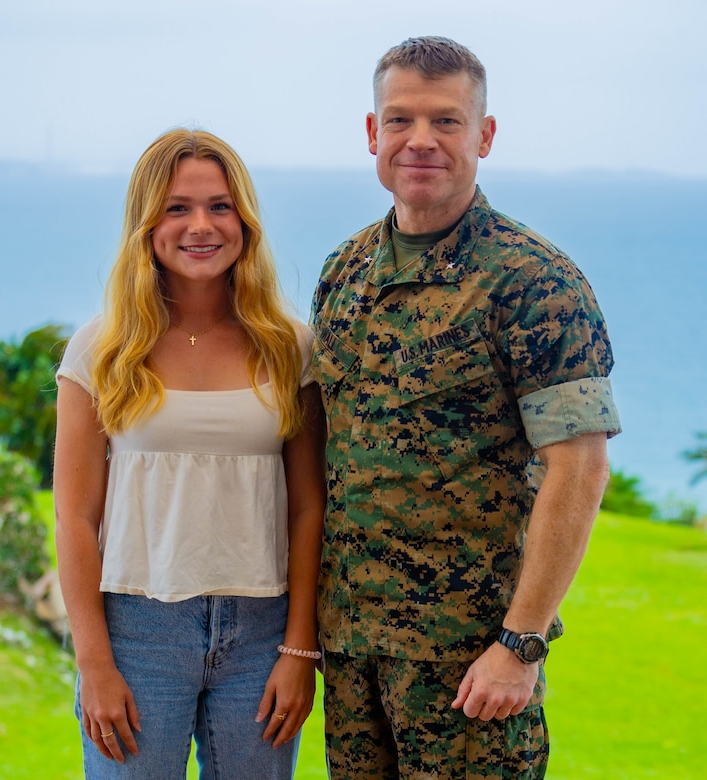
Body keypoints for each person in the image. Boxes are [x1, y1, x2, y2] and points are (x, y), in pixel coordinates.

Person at [310, 36, 622, 779]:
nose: (421, 140)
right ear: (372, 134)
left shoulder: (534, 284)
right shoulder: (344, 271)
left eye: (446, 121)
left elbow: (578, 471)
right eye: (400, 120)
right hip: (351, 658)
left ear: (483, 136)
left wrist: (520, 645)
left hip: (470, 668)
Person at [53, 128, 325, 779]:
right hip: (137, 633)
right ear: (147, 223)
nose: (200, 226)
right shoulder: (101, 350)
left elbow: (310, 509)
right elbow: (75, 520)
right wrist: (94, 663)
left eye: (219, 206)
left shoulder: (291, 346)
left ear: (245, 222)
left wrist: (298, 651)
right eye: (177, 208)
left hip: (263, 634)